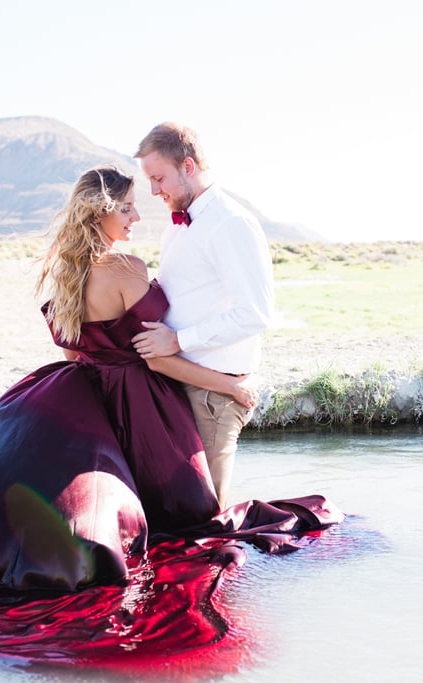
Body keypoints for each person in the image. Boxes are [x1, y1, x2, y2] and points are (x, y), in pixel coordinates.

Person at [0, 166, 259, 593]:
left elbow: (74, 353)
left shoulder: (65, 274)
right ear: (99, 212)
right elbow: (156, 359)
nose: (135, 218)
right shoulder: (126, 270)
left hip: (90, 391)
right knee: (189, 513)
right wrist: (230, 385)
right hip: (143, 400)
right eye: (126, 208)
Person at [132, 122, 275, 510]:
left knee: (208, 512)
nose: (154, 191)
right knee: (176, 510)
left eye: (159, 178)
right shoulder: (178, 228)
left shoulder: (231, 223)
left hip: (214, 395)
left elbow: (255, 314)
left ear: (188, 166)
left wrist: (178, 340)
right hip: (175, 382)